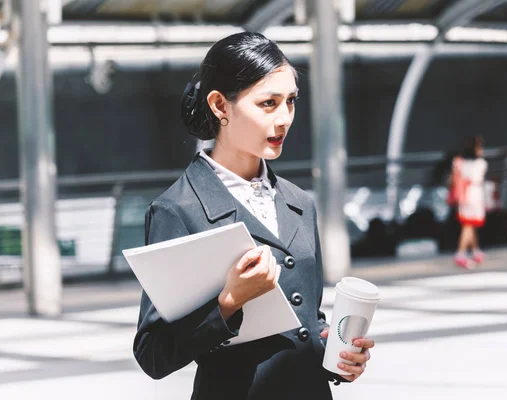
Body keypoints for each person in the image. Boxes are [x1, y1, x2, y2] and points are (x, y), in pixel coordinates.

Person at [133, 32, 374, 400]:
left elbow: (308, 319)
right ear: (219, 105)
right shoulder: (177, 209)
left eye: (290, 101)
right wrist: (229, 302)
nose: (284, 119)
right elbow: (153, 353)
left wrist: (337, 351)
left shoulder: (299, 202)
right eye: (268, 103)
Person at [450, 136, 488, 268]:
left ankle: (476, 251)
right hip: (474, 194)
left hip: (463, 195)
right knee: (468, 224)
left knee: (469, 224)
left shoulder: (458, 162)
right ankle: (460, 253)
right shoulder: (480, 163)